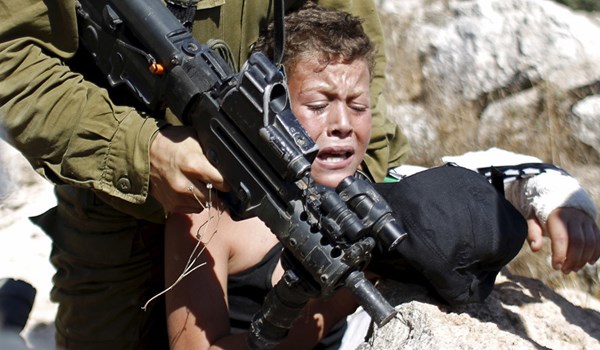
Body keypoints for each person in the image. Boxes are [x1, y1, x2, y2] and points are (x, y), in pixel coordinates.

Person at [164, 3, 600, 349]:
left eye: (358, 106)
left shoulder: (376, 191)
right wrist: (336, 302)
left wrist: (559, 198)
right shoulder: (208, 214)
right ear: (272, 108)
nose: (342, 124)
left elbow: (487, 172)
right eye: (318, 104)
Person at [0, 0, 409, 349]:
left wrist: (358, 176)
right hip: (110, 194)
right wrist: (139, 151)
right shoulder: (197, 224)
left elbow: (345, 36)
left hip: (271, 167)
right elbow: (10, 56)